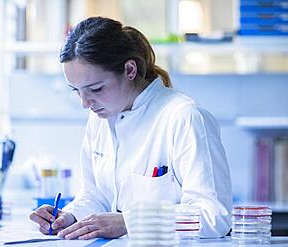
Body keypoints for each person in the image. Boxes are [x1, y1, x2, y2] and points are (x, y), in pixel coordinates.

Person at [29, 16, 232, 240]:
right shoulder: (100, 117)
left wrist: (130, 222)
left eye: (95, 89)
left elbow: (214, 215)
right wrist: (70, 217)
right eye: (76, 90)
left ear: (129, 70)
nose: (85, 103)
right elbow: (97, 196)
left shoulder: (184, 116)